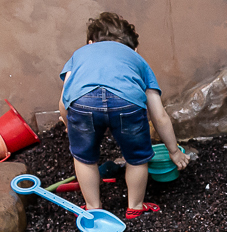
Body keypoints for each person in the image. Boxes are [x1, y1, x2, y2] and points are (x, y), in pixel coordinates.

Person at [58, 12, 189, 219]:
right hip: (126, 102)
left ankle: (93, 207)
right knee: (137, 158)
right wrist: (174, 151)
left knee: (84, 158)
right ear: (134, 49)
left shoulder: (80, 55)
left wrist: (68, 122)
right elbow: (159, 115)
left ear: (90, 43)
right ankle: (135, 206)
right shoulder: (137, 59)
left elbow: (65, 97)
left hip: (83, 102)